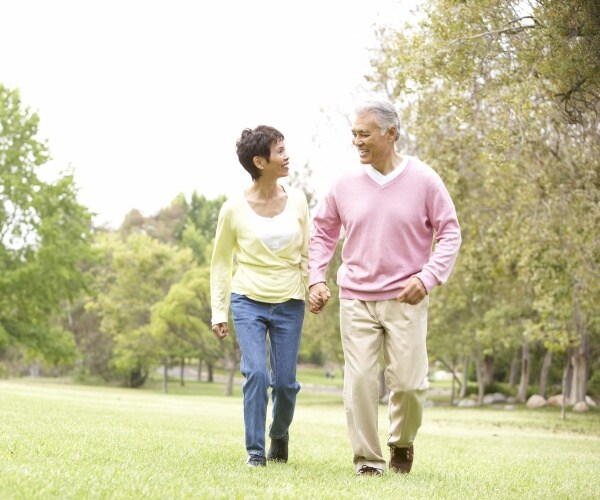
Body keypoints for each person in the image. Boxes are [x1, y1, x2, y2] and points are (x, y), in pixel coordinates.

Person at [308, 99, 461, 476]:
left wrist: (427, 277)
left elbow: (450, 232)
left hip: (404, 299)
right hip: (356, 298)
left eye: (365, 134)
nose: (358, 142)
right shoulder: (344, 184)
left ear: (390, 134)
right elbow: (323, 232)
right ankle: (368, 462)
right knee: (359, 381)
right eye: (354, 134)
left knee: (409, 385)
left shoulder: (424, 179)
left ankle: (402, 442)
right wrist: (316, 277)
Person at [210, 125, 309, 468]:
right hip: (247, 300)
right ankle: (255, 451)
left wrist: (314, 287)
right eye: (280, 151)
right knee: (256, 374)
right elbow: (221, 262)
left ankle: (278, 434)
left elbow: (307, 252)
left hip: (290, 302)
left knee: (284, 383)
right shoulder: (233, 208)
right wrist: (218, 311)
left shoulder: (297, 200)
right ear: (259, 161)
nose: (287, 156)